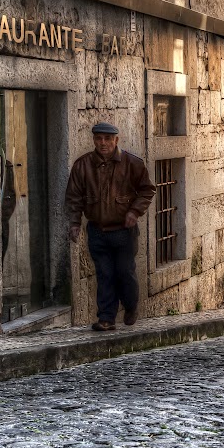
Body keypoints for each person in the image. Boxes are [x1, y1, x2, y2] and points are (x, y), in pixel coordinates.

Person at [65, 122, 155, 331]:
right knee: (104, 274)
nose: (102, 143)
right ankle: (106, 318)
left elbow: (147, 190)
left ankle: (131, 306)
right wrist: (75, 223)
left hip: (124, 231)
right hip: (97, 231)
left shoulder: (132, 163)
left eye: (107, 139)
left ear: (116, 140)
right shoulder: (82, 165)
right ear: (94, 140)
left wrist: (134, 212)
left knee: (125, 272)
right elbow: (74, 197)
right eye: (98, 139)